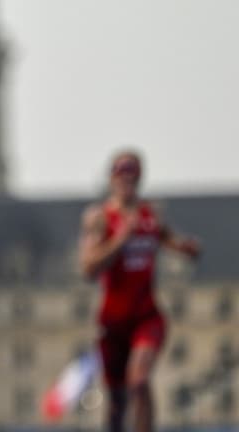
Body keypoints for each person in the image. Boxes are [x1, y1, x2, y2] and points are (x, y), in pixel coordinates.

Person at [79, 150, 201, 432]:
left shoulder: (150, 214)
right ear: (112, 179)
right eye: (121, 176)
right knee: (116, 401)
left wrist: (185, 248)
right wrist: (121, 239)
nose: (127, 183)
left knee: (139, 380)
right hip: (113, 322)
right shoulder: (100, 218)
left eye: (132, 177)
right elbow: (88, 268)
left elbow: (168, 238)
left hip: (146, 316)